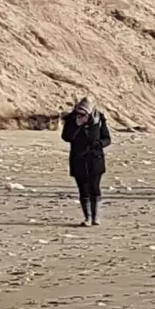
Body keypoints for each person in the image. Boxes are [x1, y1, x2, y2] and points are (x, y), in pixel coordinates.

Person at [60, 96, 111, 226]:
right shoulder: (72, 120)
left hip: (95, 158)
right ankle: (87, 218)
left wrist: (99, 144)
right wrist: (77, 125)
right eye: (79, 112)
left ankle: (96, 217)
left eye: (84, 112)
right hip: (78, 159)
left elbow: (107, 138)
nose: (81, 114)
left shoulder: (99, 119)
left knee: (95, 187)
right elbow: (66, 137)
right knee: (83, 189)